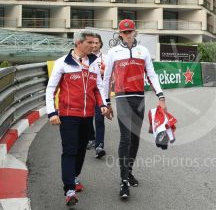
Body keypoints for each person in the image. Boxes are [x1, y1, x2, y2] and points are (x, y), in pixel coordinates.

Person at [103, 19, 167, 199]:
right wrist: (106, 102)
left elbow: (152, 74)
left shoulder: (143, 51)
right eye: (124, 32)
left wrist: (161, 96)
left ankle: (129, 171)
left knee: (135, 138)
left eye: (130, 31)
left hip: (139, 98)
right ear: (119, 34)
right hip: (122, 97)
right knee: (125, 138)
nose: (127, 34)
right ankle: (123, 181)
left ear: (135, 32)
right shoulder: (113, 52)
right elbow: (106, 78)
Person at [46, 30, 109, 206]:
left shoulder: (94, 63)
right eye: (89, 43)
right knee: (70, 150)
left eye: (95, 43)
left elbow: (97, 88)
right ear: (78, 43)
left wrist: (102, 104)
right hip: (67, 116)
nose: (93, 46)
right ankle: (69, 190)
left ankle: (74, 178)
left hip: (87, 116)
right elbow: (51, 89)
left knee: (81, 150)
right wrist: (52, 112)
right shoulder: (62, 63)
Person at [87, 33, 107, 159]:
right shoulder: (84, 57)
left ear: (100, 44)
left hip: (101, 92)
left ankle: (99, 146)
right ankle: (91, 138)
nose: (94, 45)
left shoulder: (106, 57)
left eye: (97, 42)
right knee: (88, 119)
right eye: (92, 42)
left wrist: (104, 72)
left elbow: (112, 74)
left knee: (99, 119)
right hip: (87, 93)